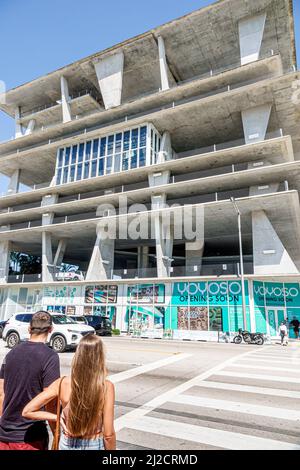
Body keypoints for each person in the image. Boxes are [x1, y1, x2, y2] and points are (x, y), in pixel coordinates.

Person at [23, 334, 116, 451]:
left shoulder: (62, 383)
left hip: (67, 443)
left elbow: (27, 411)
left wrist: (57, 418)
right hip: (93, 442)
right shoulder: (106, 386)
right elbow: (108, 435)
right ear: (100, 357)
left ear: (78, 356)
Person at [0, 311, 60, 450]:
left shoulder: (10, 354)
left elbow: (1, 394)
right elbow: (50, 399)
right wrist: (56, 433)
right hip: (30, 437)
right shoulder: (50, 357)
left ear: (29, 328)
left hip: (4, 435)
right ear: (50, 330)